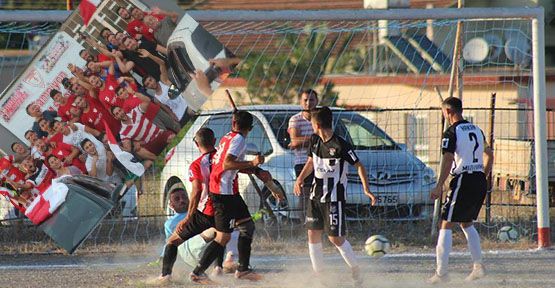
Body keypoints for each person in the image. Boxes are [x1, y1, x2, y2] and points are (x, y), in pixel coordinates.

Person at [190, 111, 281, 283]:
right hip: (223, 194)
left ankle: (243, 270)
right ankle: (197, 272)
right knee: (223, 237)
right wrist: (252, 163)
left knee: (247, 226)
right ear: (251, 128)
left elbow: (232, 165)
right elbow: (227, 164)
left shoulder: (228, 137)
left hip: (228, 192)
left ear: (233, 123)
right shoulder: (239, 140)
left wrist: (254, 169)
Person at [294, 106, 377, 286]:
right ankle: (320, 275)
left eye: (311, 123)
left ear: (317, 124)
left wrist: (366, 189)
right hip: (315, 196)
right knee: (312, 233)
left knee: (335, 239)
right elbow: (310, 161)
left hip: (334, 198)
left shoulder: (340, 145)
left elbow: (359, 166)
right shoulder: (314, 140)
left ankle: (355, 268)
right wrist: (300, 178)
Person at [156, 128, 237, 284]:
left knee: (172, 241)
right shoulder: (225, 160)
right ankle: (218, 268)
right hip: (225, 209)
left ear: (196, 143)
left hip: (206, 211)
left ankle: (166, 275)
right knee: (221, 236)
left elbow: (196, 191)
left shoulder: (197, 164)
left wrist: (189, 216)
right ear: (214, 141)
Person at [428, 97, 494, 284]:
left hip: (463, 179)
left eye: (443, 113)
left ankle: (441, 274)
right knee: (466, 222)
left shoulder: (451, 132)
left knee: (445, 223)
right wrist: (483, 175)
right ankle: (478, 266)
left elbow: (448, 159)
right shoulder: (476, 129)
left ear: (448, 112)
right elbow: (489, 154)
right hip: (478, 178)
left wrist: (439, 185)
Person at [288, 88, 318, 219]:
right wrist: (315, 138)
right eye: (305, 100)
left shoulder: (319, 118)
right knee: (305, 194)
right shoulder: (295, 119)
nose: (308, 103)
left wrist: (303, 140)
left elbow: (327, 138)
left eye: (311, 100)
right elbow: (294, 142)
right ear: (301, 102)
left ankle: (317, 221)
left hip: (320, 162)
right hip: (302, 162)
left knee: (318, 194)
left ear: (317, 101)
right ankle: (303, 222)